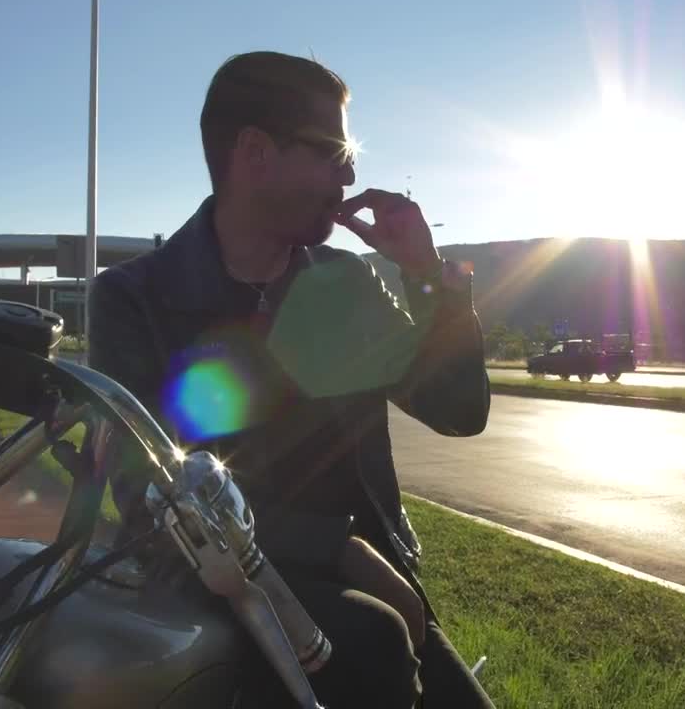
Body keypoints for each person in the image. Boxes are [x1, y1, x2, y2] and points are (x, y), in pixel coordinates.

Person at [88, 51, 494, 708]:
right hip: (232, 606)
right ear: (255, 152)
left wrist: (427, 277)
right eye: (335, 152)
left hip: (379, 595)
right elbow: (149, 498)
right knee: (375, 639)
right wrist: (336, 549)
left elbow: (458, 410)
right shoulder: (134, 298)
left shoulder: (348, 282)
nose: (351, 175)